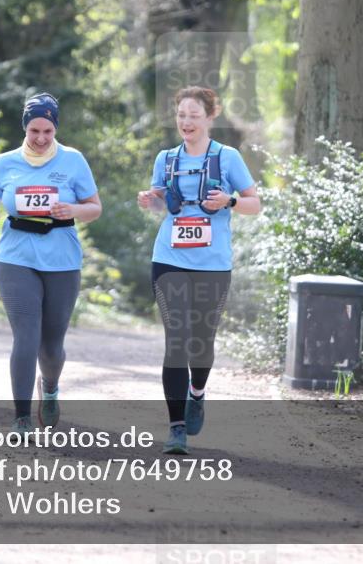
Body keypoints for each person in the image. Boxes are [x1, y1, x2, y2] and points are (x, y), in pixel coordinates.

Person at [137, 86, 261, 454]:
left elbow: (255, 204)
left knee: (201, 342)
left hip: (212, 264)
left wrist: (231, 200)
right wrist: (150, 200)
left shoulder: (228, 158)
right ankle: (176, 428)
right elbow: (162, 205)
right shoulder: (166, 158)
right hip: (170, 259)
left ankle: (198, 391)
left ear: (210, 117)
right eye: (181, 115)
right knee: (176, 340)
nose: (186, 122)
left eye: (193, 115)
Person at [0, 92, 102, 435]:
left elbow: (95, 206)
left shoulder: (73, 160)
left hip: (62, 258)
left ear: (55, 128)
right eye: (35, 131)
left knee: (51, 346)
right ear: (25, 128)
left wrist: (73, 210)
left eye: (48, 131)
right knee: (26, 338)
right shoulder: (6, 162)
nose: (42, 138)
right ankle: (20, 418)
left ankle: (49, 387)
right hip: (16, 257)